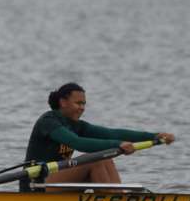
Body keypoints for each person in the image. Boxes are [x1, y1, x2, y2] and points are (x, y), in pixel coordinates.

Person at [21, 82, 175, 191]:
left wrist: (154, 136)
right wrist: (118, 144)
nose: (82, 108)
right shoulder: (48, 122)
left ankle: (117, 197)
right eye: (78, 103)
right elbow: (78, 143)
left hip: (56, 179)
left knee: (106, 158)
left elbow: (112, 133)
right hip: (36, 183)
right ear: (63, 102)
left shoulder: (77, 125)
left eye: (84, 104)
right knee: (95, 161)